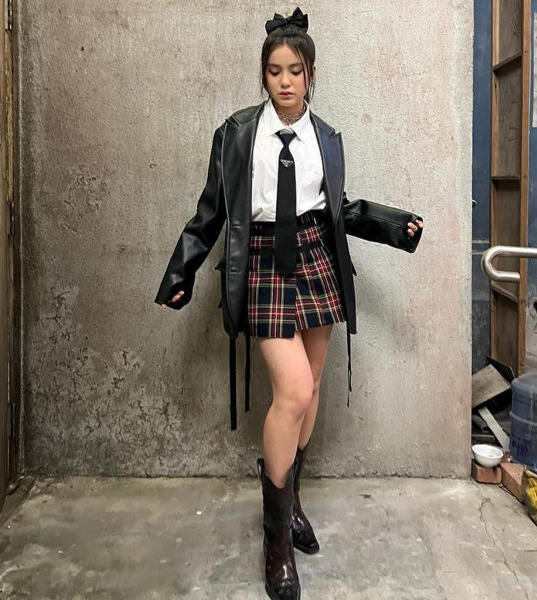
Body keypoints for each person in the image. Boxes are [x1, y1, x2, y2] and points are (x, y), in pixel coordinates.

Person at [155, 7, 424, 599]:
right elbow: (212, 212)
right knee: (293, 391)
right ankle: (276, 539)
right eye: (275, 70)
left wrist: (394, 224)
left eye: (295, 71)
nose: (284, 81)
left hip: (315, 256)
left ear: (310, 75)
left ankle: (291, 500)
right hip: (261, 261)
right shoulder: (236, 134)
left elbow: (338, 208)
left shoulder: (325, 138)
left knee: (313, 386)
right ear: (264, 74)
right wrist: (182, 272)